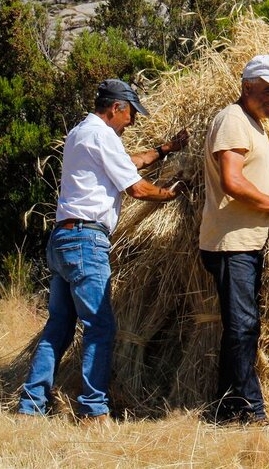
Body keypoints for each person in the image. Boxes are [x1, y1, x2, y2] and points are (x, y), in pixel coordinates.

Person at [19, 79, 189, 421]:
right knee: (100, 326)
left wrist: (164, 150)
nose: (133, 123)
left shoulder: (81, 132)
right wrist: (175, 192)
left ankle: (31, 405)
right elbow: (138, 190)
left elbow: (130, 161)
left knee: (59, 328)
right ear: (116, 108)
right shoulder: (103, 136)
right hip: (86, 241)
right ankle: (93, 409)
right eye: (131, 116)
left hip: (63, 240)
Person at [199, 55, 269, 425]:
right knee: (243, 327)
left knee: (242, 327)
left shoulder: (252, 124)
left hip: (245, 242)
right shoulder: (233, 121)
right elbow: (233, 180)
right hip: (231, 244)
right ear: (246, 87)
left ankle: (226, 410)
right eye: (267, 92)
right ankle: (250, 411)